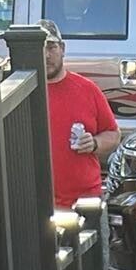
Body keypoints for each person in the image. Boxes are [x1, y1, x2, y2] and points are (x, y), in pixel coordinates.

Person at [42, 26, 119, 209]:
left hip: (84, 200)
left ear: (63, 49)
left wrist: (94, 143)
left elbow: (113, 135)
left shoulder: (86, 89)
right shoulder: (19, 94)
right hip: (37, 203)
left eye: (51, 47)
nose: (46, 55)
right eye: (40, 48)